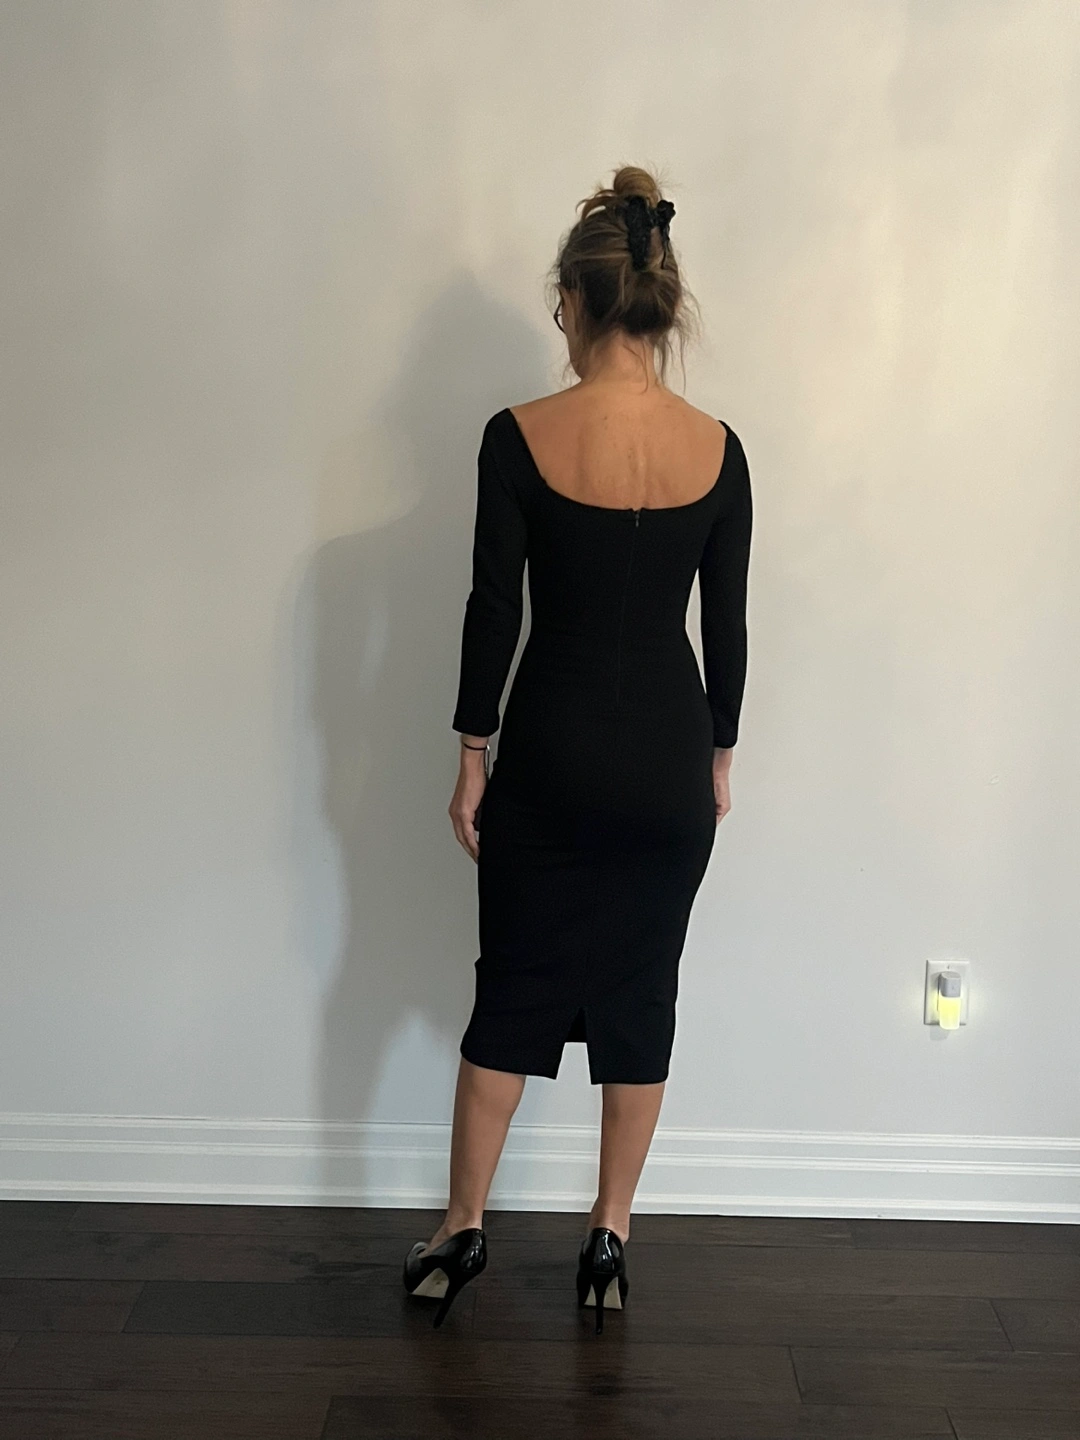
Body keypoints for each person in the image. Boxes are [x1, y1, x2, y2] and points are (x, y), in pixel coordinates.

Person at [403, 165, 753, 1332]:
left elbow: (490, 613)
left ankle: (461, 1231)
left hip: (549, 757)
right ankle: (610, 1236)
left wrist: (472, 755)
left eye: (558, 302)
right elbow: (726, 632)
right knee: (642, 996)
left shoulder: (518, 438)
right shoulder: (719, 450)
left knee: (511, 990)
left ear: (579, 299)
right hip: (666, 764)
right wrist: (717, 760)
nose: (554, 318)